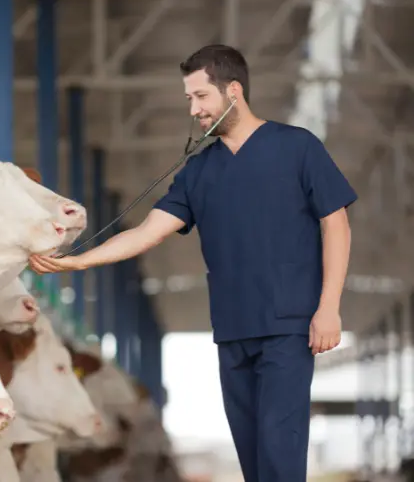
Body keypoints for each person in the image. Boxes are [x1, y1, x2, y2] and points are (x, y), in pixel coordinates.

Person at [28, 44, 356, 482]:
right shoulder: (199, 171)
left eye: (201, 97)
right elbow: (146, 231)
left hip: (288, 328)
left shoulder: (297, 147)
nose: (194, 110)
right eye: (189, 100)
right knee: (254, 459)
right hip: (232, 333)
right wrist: (79, 262)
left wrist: (328, 307)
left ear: (233, 90)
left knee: (280, 450)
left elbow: (337, 224)